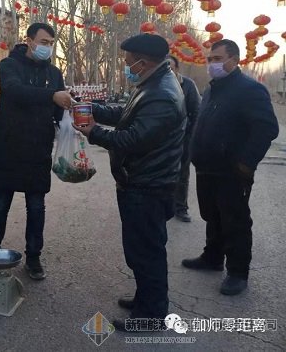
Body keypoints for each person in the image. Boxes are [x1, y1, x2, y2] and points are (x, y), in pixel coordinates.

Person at [74, 34, 186, 332]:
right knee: (141, 250)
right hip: (142, 182)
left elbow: (132, 139)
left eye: (128, 63)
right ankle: (145, 299)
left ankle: (151, 316)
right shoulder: (153, 84)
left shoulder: (161, 95)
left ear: (143, 62)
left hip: (148, 186)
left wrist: (93, 132)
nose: (126, 68)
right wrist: (91, 107)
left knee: (147, 252)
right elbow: (126, 116)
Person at [182, 39, 279, 296]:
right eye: (210, 59)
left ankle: (237, 272)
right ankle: (212, 257)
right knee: (212, 215)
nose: (212, 64)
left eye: (217, 59)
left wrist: (246, 163)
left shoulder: (249, 90)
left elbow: (267, 128)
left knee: (234, 220)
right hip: (207, 166)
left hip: (232, 170)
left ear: (234, 60)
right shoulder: (212, 89)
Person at [0, 22, 72, 280]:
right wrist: (52, 96)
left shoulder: (54, 73)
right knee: (0, 204)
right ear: (29, 41)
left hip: (38, 149)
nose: (47, 47)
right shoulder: (9, 66)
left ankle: (33, 258)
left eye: (51, 43)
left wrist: (69, 112)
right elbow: (14, 91)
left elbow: (57, 110)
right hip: (9, 147)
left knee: (36, 206)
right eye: (43, 42)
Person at [167, 55, 201, 222]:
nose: (167, 71)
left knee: (182, 173)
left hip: (183, 139)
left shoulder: (188, 85)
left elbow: (197, 113)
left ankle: (181, 207)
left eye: (170, 68)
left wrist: (191, 137)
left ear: (177, 69)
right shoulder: (156, 84)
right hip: (161, 139)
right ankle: (165, 206)